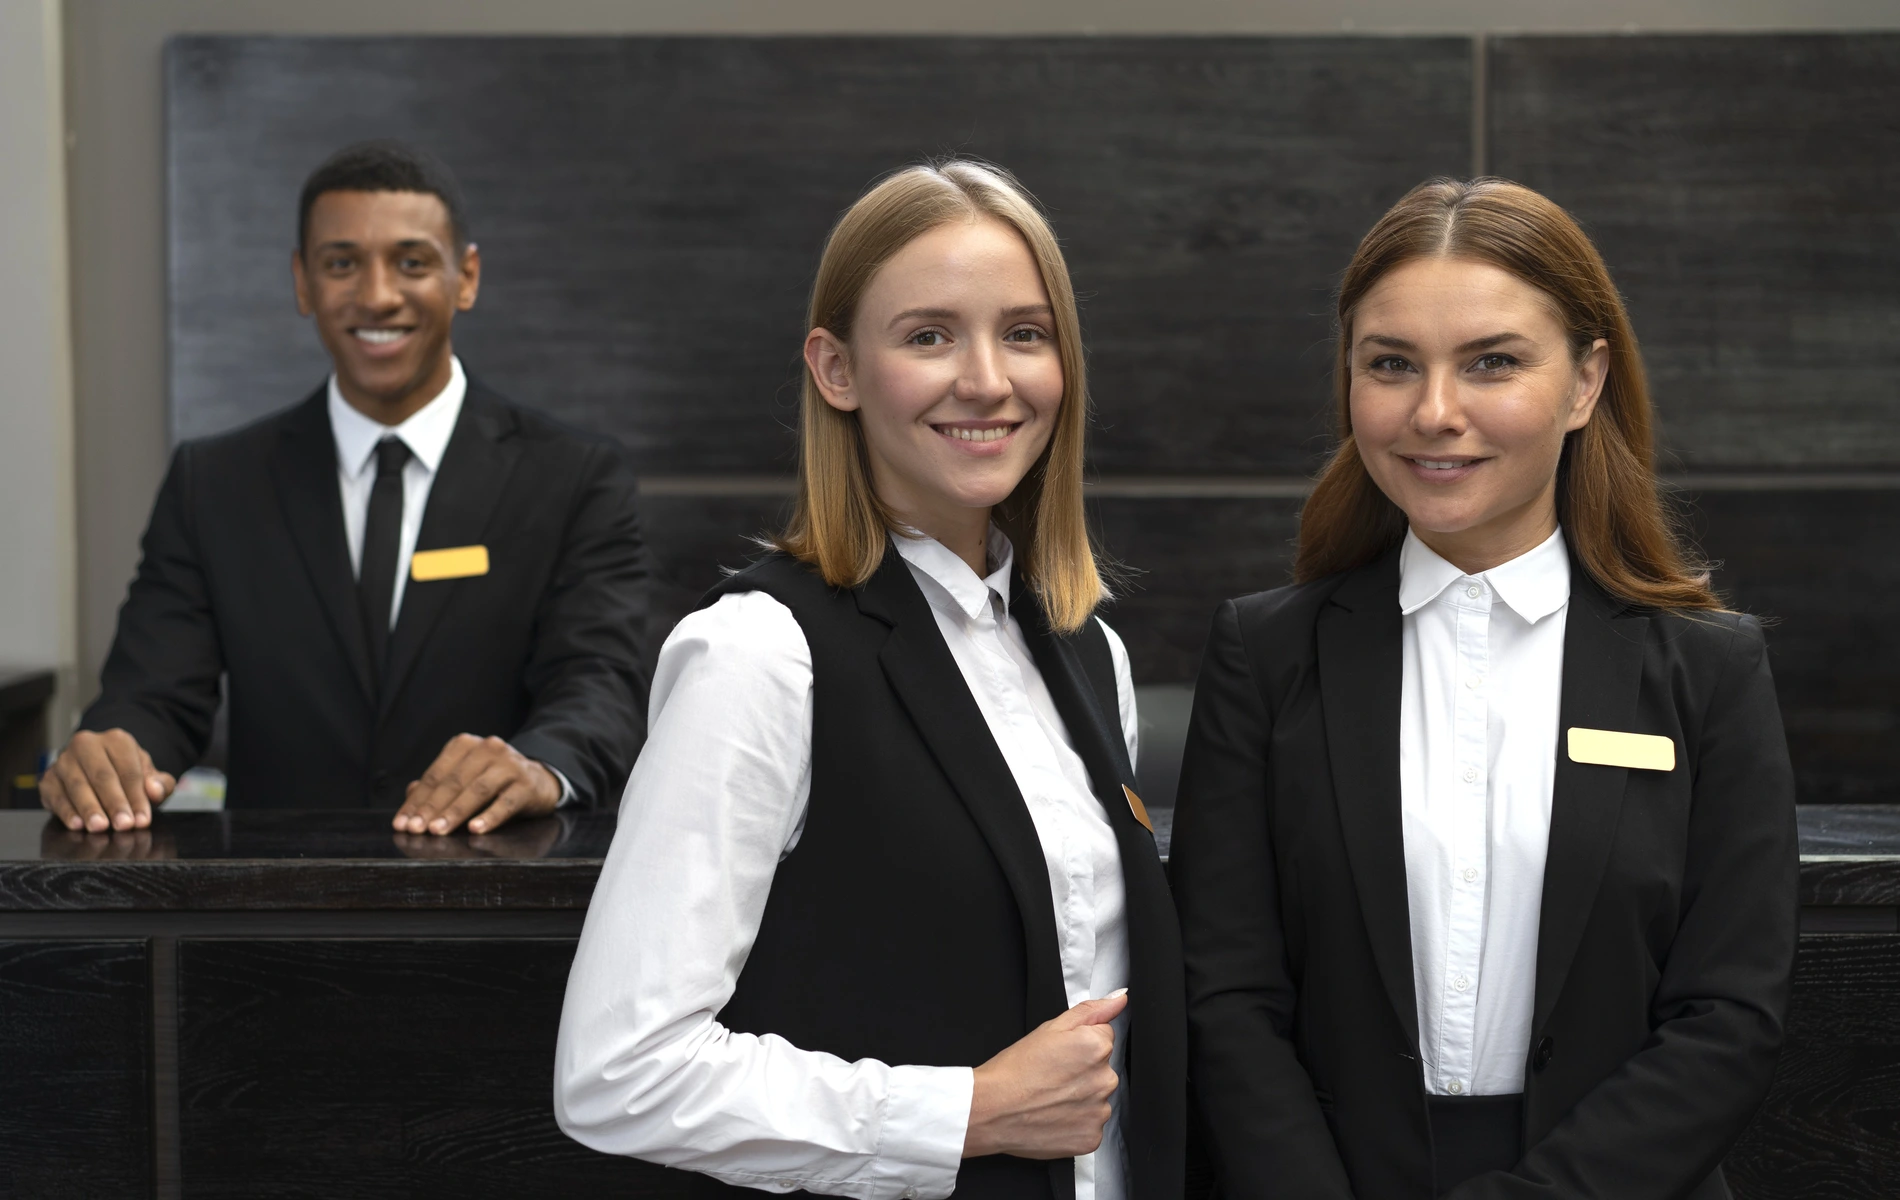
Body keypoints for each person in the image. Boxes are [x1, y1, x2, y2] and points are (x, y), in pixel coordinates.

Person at [555, 160, 1185, 1199]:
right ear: (836, 370)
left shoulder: (1087, 653)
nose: (986, 379)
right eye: (928, 335)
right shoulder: (758, 656)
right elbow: (617, 1075)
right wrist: (962, 1114)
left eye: (1024, 334)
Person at [1171, 178, 1797, 1198]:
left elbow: (1728, 1017)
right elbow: (1228, 997)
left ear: (1585, 382)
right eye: (1390, 365)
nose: (1433, 413)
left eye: (1491, 362)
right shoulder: (1265, 654)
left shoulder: (1706, 669)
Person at [41, 140, 648, 836]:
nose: (378, 295)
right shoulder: (213, 484)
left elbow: (600, 686)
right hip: (272, 911)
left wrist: (539, 765)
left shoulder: (573, 477)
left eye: (412, 262)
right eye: (341, 264)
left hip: (498, 900)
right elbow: (150, 694)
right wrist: (113, 754)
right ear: (303, 282)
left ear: (466, 277)